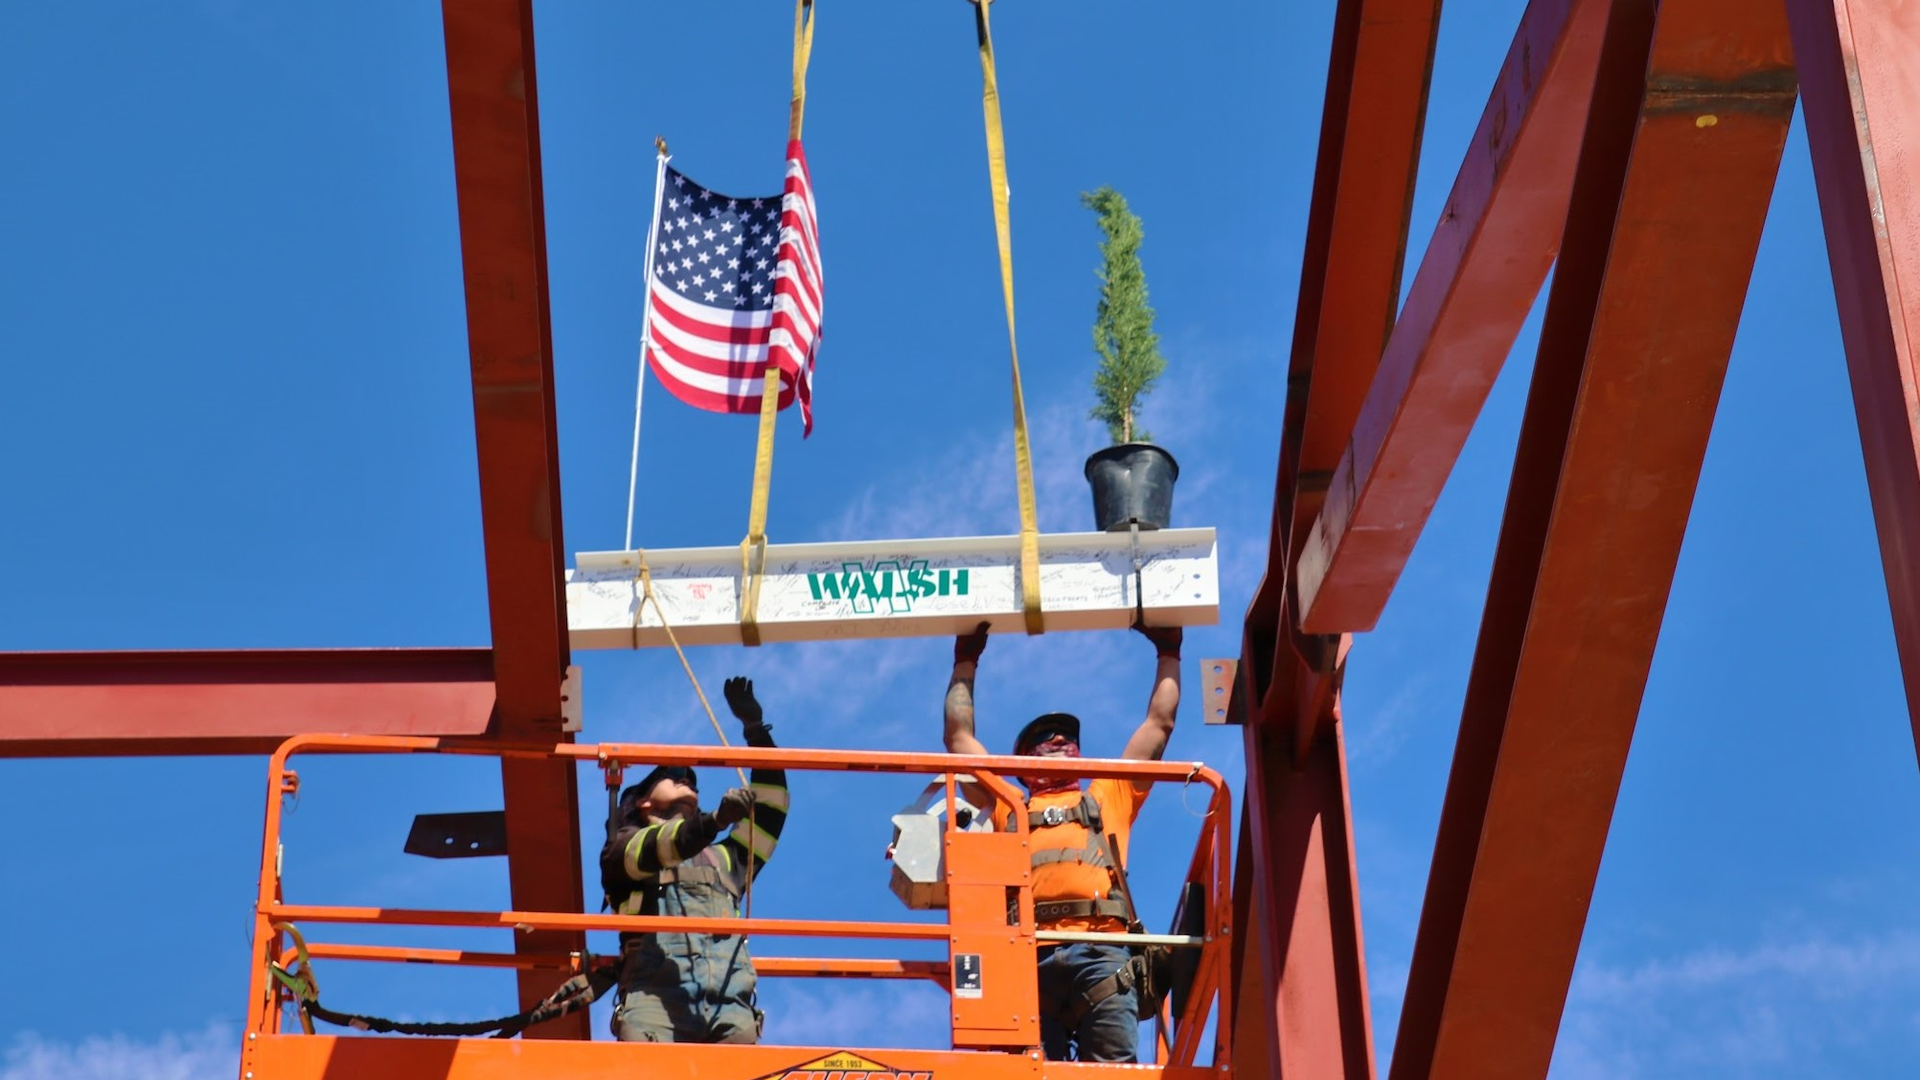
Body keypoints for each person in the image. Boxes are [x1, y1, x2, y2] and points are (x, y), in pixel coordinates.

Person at [941, 621, 1182, 1063]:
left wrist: (1170, 651)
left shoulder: (1109, 795)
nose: (1059, 740)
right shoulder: (1008, 803)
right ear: (1021, 763)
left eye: (1067, 738)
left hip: (1102, 956)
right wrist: (965, 661)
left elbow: (1158, 724)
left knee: (1114, 1075)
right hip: (1028, 958)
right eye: (1043, 739)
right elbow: (958, 738)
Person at [599, 677, 789, 1043]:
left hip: (729, 1004)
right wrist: (714, 821)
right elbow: (658, 847)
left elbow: (771, 808)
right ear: (643, 802)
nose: (688, 782)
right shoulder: (624, 849)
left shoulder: (724, 859)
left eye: (693, 782)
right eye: (673, 777)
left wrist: (756, 732)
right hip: (653, 1004)